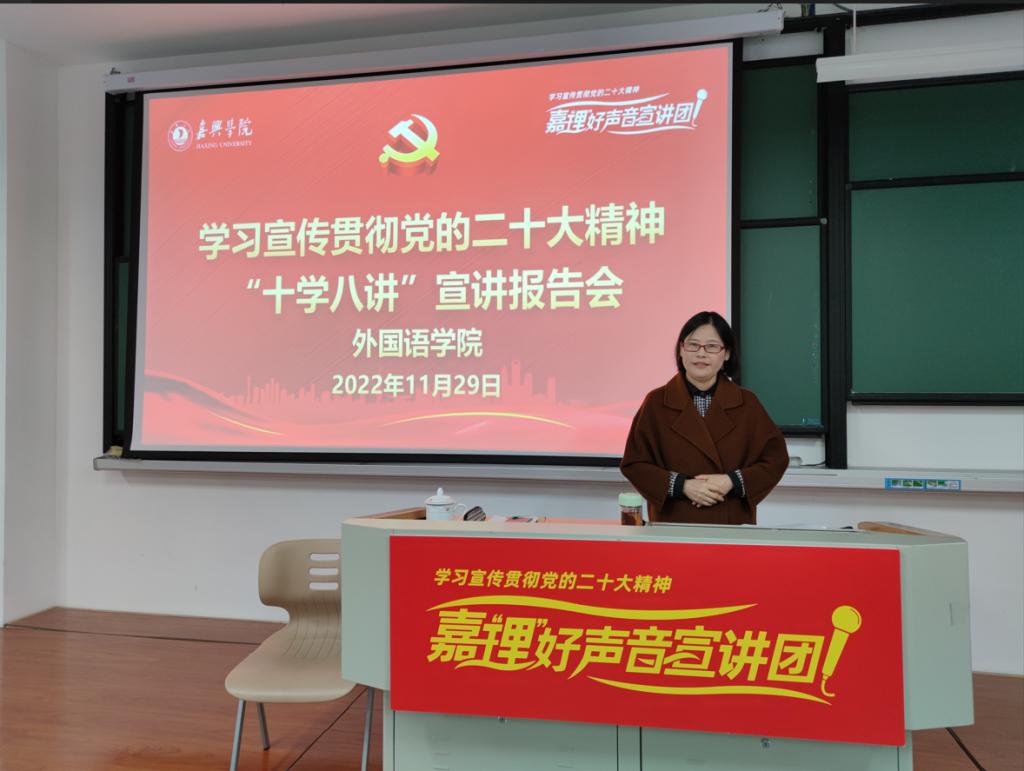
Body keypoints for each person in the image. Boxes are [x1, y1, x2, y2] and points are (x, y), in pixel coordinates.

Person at [620, 311, 788, 525]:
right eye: (693, 345)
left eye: (712, 346)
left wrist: (731, 481)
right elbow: (634, 464)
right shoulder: (656, 402)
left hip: (732, 522)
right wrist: (682, 485)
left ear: (726, 354)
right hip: (673, 522)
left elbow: (775, 459)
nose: (701, 354)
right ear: (681, 350)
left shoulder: (747, 403)